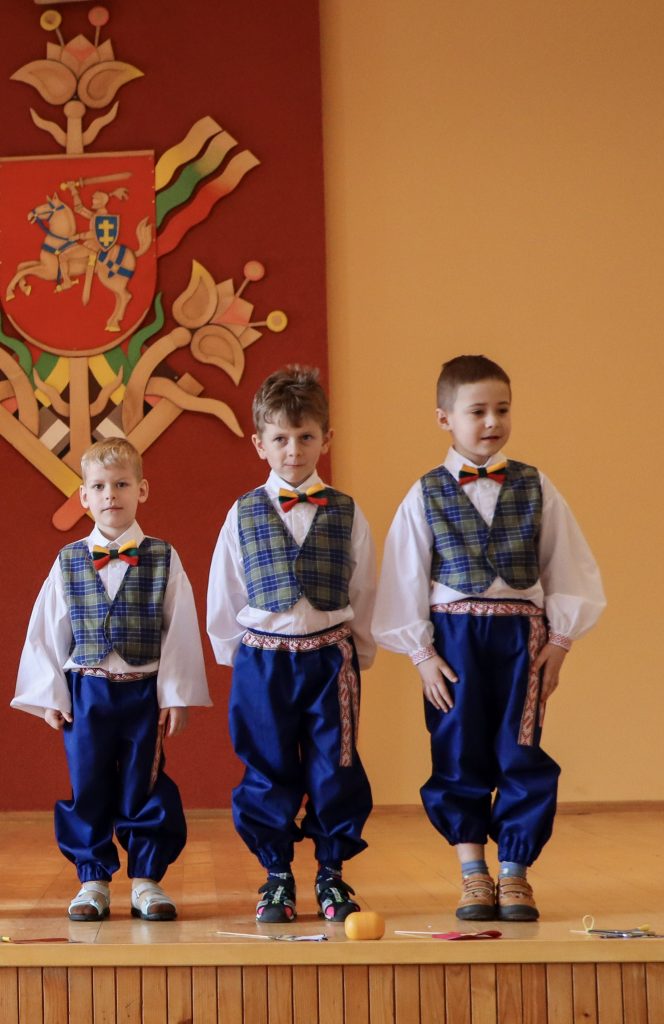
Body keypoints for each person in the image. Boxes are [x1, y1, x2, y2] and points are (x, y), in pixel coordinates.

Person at [372, 355, 605, 922]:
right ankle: (473, 871)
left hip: (521, 640)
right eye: (477, 411)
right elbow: (403, 578)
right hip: (453, 642)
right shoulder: (425, 493)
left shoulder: (536, 485)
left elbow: (568, 566)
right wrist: (422, 655)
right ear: (444, 418)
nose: (492, 421)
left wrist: (560, 643)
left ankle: (515, 871)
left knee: (520, 749)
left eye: (502, 409)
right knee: (457, 749)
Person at [12, 437, 211, 922]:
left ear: (141, 490)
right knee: (89, 783)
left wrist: (176, 694)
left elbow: (180, 629)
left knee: (144, 783)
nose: (110, 495)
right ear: (84, 496)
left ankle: (146, 880)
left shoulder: (163, 557)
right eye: (99, 486)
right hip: (87, 693)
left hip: (143, 692)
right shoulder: (68, 560)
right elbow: (48, 630)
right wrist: (51, 695)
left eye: (121, 484)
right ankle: (92, 880)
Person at [207, 365, 375, 924]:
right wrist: (239, 658)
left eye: (306, 437)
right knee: (267, 765)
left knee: (336, 764)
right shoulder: (242, 511)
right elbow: (226, 591)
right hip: (263, 659)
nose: (294, 450)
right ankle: (276, 873)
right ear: (260, 443)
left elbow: (364, 588)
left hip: (330, 658)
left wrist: (359, 654)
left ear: (327, 439)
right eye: (280, 438)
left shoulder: (347, 512)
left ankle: (331, 872)